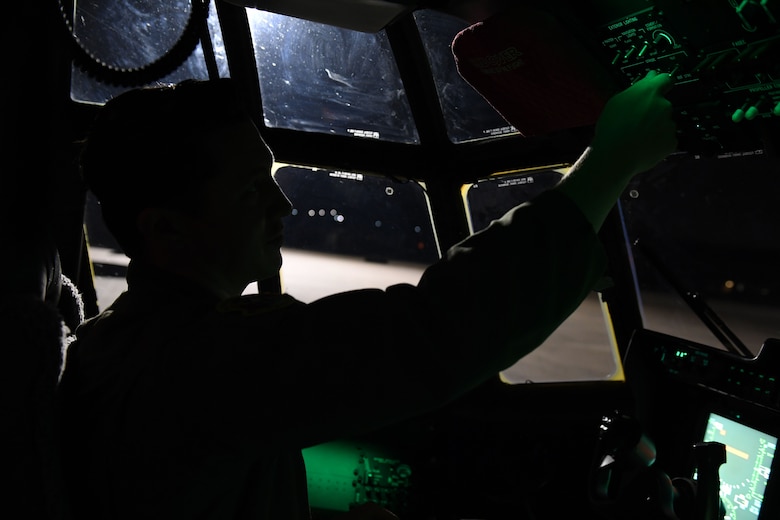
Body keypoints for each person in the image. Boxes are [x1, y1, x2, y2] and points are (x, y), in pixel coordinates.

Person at [58, 71, 676, 520]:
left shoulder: (120, 342)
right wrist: (610, 162)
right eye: (251, 191)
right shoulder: (193, 364)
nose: (284, 206)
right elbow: (432, 333)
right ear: (165, 227)